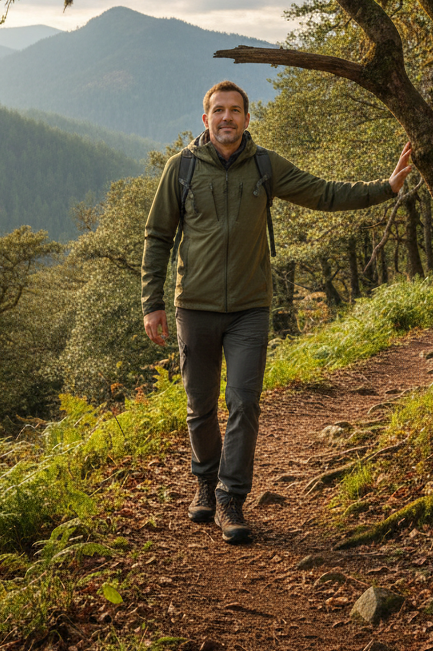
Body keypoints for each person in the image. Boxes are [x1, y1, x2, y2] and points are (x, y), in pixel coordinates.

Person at [142, 80, 412, 544]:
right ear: (204, 120)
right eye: (218, 111)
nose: (227, 118)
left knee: (244, 403)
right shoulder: (181, 169)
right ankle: (205, 481)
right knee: (200, 409)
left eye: (235, 111)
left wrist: (386, 187)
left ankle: (230, 497)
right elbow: (158, 236)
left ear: (247, 119)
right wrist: (153, 303)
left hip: (251, 308)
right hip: (195, 308)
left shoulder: (265, 166)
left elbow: (324, 193)